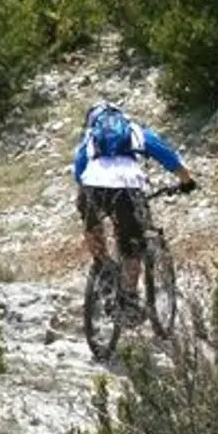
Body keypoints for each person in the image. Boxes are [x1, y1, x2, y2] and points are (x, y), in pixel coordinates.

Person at [73, 102, 197, 317]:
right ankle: (128, 299)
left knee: (92, 223)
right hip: (127, 188)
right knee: (132, 243)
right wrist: (187, 180)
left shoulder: (91, 136)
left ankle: (102, 266)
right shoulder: (136, 132)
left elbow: (78, 171)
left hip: (91, 188)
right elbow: (168, 157)